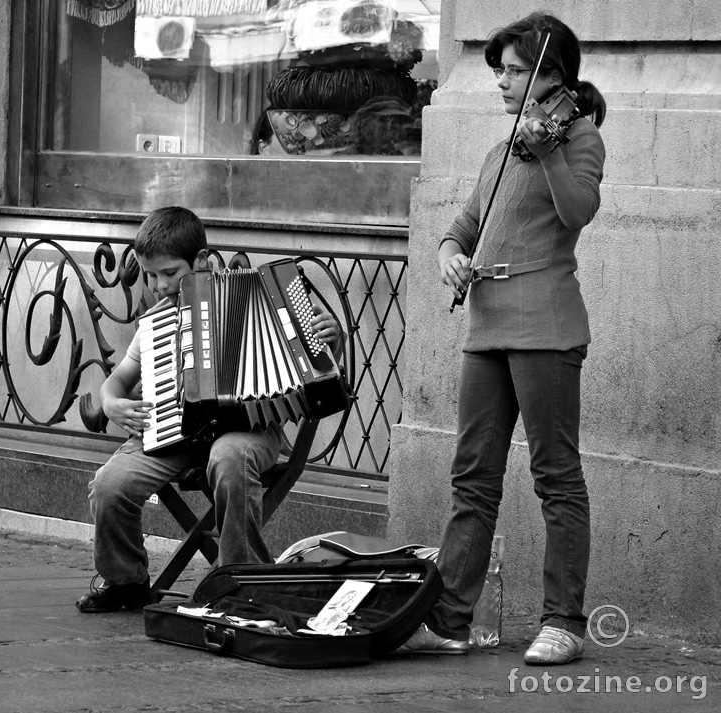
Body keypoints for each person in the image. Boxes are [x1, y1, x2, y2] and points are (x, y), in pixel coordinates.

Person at [400, 12, 606, 663]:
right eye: (499, 71)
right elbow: (461, 226)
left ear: (553, 77)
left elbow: (579, 210)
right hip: (486, 326)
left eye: (515, 71)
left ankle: (564, 620)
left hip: (545, 323)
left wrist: (549, 152)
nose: (501, 82)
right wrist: (447, 256)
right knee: (473, 475)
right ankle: (451, 615)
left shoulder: (578, 141)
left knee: (555, 475)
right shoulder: (499, 151)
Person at [76, 206, 343, 613]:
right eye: (151, 275)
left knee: (229, 456)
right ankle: (126, 581)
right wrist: (111, 401)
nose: (160, 285)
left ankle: (238, 582)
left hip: (250, 428)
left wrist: (330, 335)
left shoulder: (267, 297)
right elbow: (119, 380)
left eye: (170, 272)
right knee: (110, 485)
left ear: (201, 260)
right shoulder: (155, 322)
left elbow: (317, 359)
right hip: (175, 431)